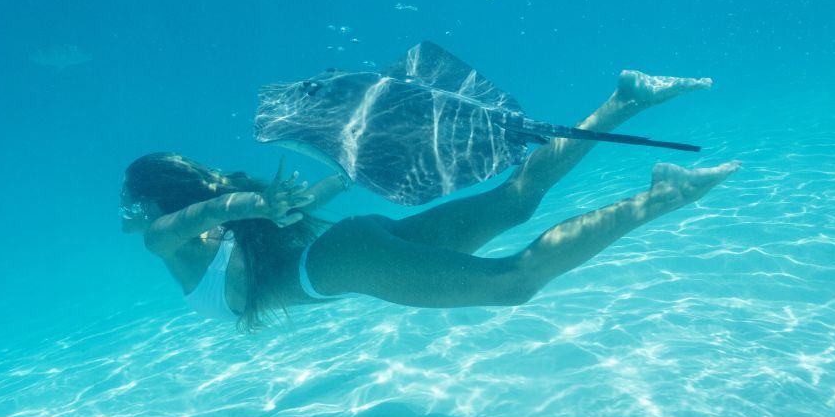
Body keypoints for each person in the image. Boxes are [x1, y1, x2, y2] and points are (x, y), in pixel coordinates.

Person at [120, 69, 739, 330]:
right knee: (514, 201)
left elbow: (205, 213)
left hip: (340, 265)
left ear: (152, 201)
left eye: (130, 203)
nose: (128, 216)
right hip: (348, 247)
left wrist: (245, 208)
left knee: (512, 282)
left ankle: (660, 198)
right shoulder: (229, 220)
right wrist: (270, 201)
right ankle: (626, 98)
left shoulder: (166, 240)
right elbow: (318, 192)